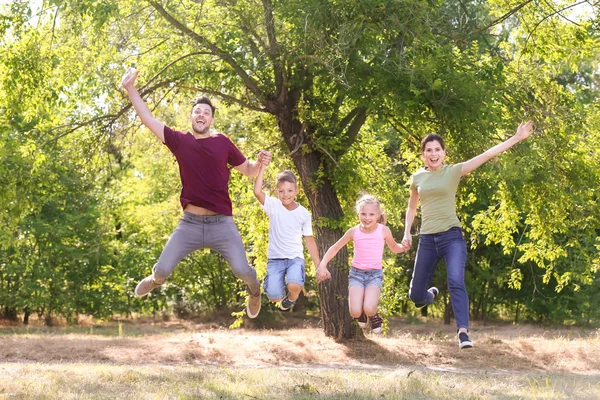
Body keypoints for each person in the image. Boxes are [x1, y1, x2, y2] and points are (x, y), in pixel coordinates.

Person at [121, 67, 272, 319]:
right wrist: (130, 88)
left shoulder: (222, 142)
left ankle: (255, 292)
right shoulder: (180, 141)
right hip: (189, 223)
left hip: (221, 223)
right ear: (191, 118)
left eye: (206, 112)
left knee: (242, 269)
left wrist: (260, 163)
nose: (201, 114)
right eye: (197, 111)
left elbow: (248, 170)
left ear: (211, 120)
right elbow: (148, 118)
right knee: (163, 270)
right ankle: (155, 279)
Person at [402, 121, 535, 349]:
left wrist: (516, 138)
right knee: (416, 296)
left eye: (437, 150)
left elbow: (486, 155)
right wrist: (407, 233)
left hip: (451, 237)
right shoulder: (417, 179)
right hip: (427, 239)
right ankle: (430, 295)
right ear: (423, 154)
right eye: (429, 150)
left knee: (455, 280)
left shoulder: (453, 171)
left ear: (444, 153)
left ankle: (463, 332)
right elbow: (412, 207)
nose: (433, 154)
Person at [316, 195, 407, 333]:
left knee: (369, 307)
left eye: (371, 214)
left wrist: (404, 247)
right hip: (356, 274)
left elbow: (394, 248)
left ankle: (373, 315)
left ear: (378, 215)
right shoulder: (354, 231)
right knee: (354, 312)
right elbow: (335, 247)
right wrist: (323, 264)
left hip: (374, 275)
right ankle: (362, 314)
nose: (367, 217)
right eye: (363, 214)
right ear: (358, 214)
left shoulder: (383, 231)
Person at [253, 164, 320, 310]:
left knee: (294, 285)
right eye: (281, 191)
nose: (286, 194)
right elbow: (257, 191)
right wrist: (262, 167)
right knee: (274, 296)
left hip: (295, 258)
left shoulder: (303, 214)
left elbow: (309, 240)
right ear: (277, 191)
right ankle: (275, 290)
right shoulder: (273, 205)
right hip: (275, 259)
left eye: (290, 190)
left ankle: (293, 297)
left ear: (296, 191)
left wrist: (318, 265)